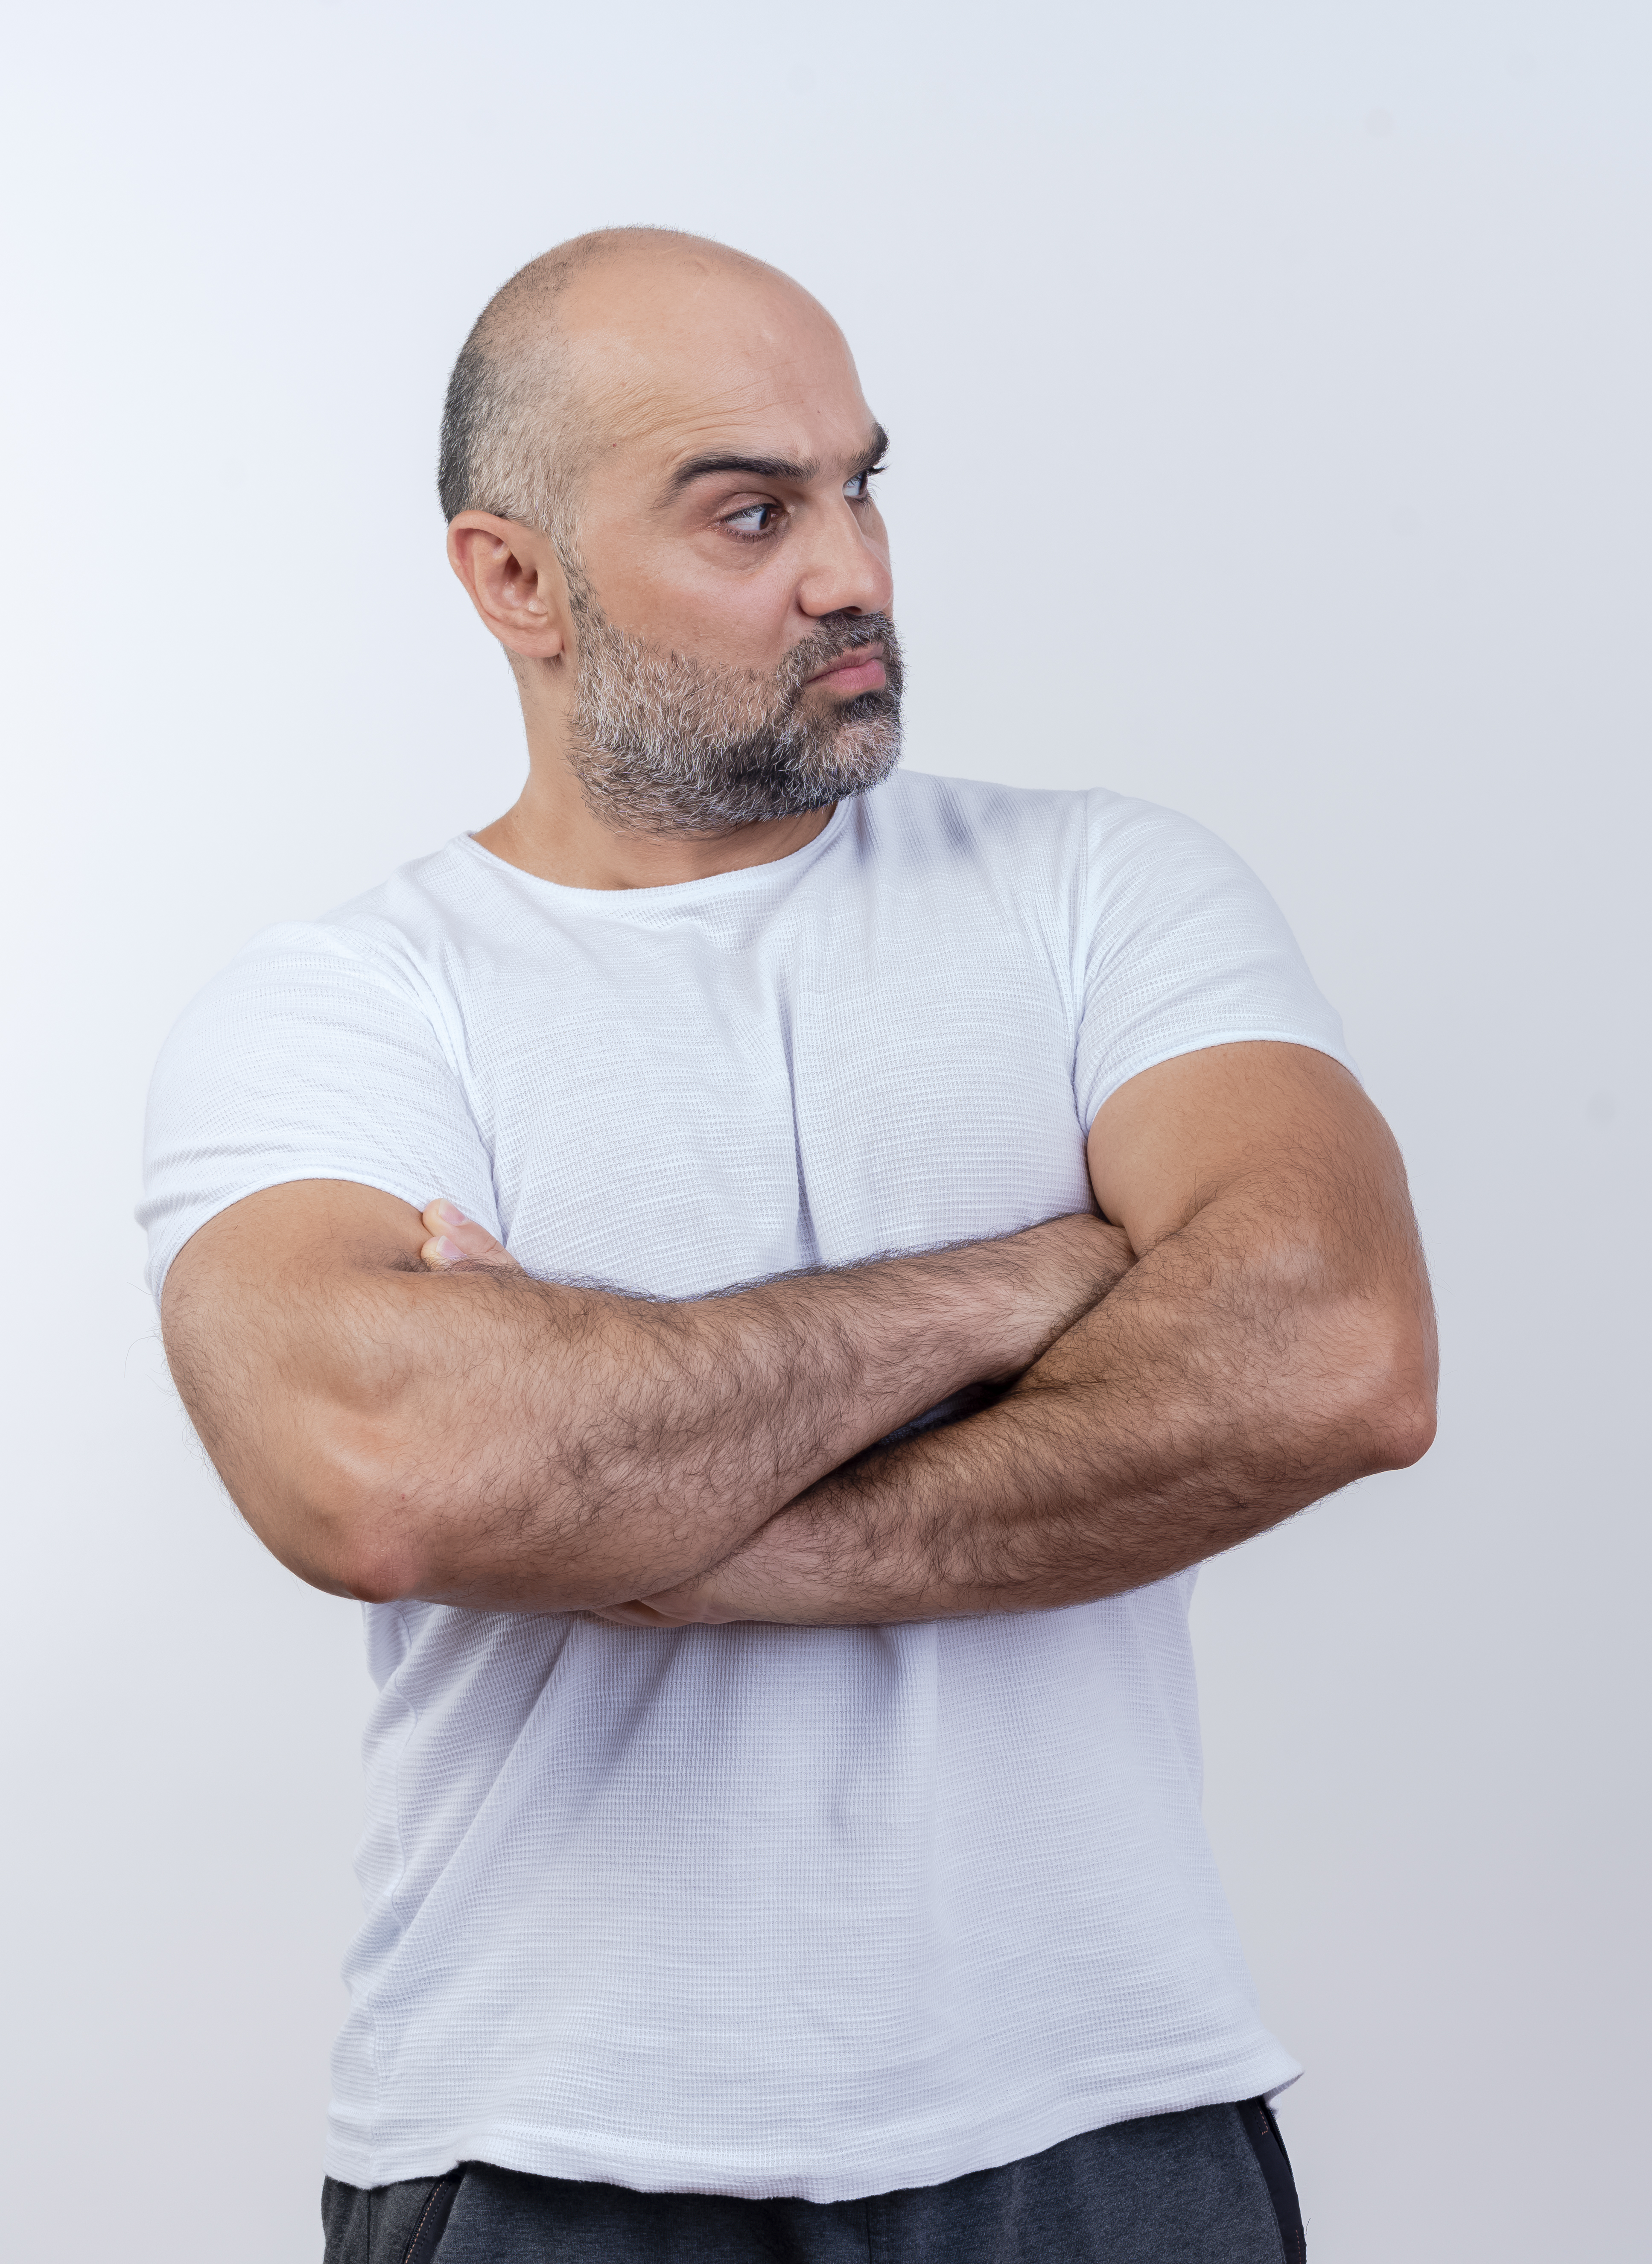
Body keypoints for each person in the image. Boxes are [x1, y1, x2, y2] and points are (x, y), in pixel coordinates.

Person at [140, 228, 1436, 2264]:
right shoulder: (349, 1009)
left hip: (1100, 2126)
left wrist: (676, 1521)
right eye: (751, 512)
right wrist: (1020, 1282)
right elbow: (385, 1471)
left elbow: (1337, 1355)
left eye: (860, 485)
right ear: (512, 580)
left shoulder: (1104, 893)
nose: (852, 572)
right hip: (540, 2146)